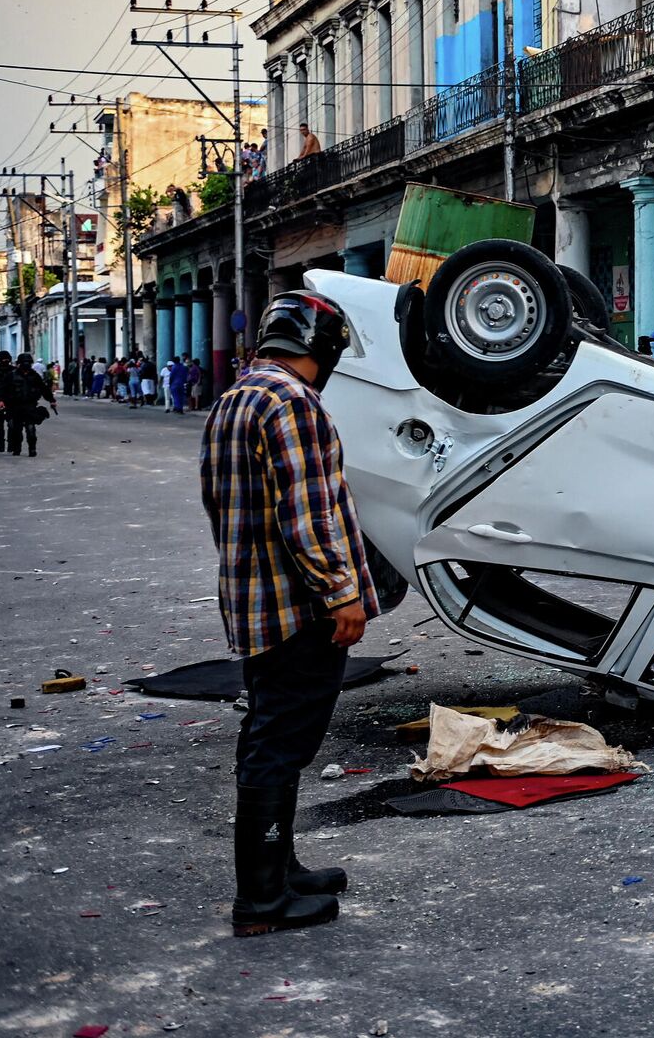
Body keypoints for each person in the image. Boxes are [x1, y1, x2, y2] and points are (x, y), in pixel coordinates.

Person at [200, 290, 375, 937]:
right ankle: (263, 901)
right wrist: (343, 593)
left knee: (272, 735)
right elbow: (305, 517)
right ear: (320, 346)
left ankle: (281, 867)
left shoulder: (236, 399)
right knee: (279, 744)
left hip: (254, 604)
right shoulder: (292, 404)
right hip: (299, 610)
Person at [1, 352, 57, 457]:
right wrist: (1, 401)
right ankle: (17, 449)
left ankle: (32, 449)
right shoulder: (12, 375)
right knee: (16, 430)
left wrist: (51, 400)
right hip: (15, 407)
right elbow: (3, 389)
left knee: (31, 430)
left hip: (30, 406)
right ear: (19, 364)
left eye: (28, 363)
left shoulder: (34, 376)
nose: (26, 365)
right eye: (24, 363)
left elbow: (43, 388)